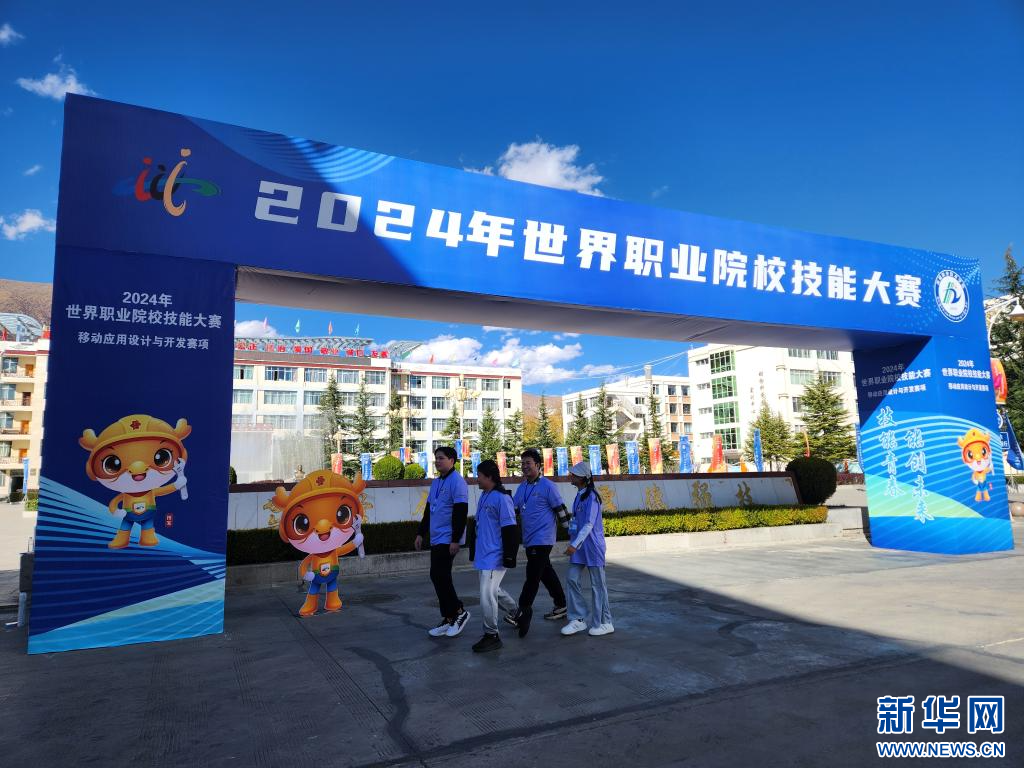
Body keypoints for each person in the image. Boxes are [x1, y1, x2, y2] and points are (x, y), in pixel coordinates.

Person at [503, 448, 570, 637]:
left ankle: (522, 612)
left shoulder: (548, 486)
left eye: (528, 463)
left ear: (538, 465)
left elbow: (560, 509)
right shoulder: (523, 486)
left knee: (532, 576)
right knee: (545, 573)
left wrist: (572, 533)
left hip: (543, 538)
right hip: (530, 539)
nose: (524, 466)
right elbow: (514, 508)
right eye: (522, 463)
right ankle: (561, 604)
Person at [415, 446, 471, 637]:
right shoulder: (437, 482)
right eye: (436, 458)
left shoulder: (458, 482)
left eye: (441, 458)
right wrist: (420, 533)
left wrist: (455, 539)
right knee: (437, 575)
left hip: (448, 538)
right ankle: (449, 617)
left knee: (440, 575)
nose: (437, 461)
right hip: (437, 537)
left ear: (452, 460)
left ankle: (459, 612)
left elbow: (461, 512)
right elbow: (428, 510)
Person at [471, 460, 520, 653]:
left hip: (495, 556)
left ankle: (492, 635)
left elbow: (510, 529)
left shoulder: (502, 498)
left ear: (489, 477)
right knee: (494, 591)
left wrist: (509, 556)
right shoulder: (485, 496)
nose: (477, 479)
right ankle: (517, 613)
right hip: (484, 555)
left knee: (487, 594)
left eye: (479, 476)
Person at [561, 461, 613, 637]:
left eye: (574, 474)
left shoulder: (592, 497)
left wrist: (574, 545)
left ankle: (605, 622)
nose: (571, 476)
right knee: (572, 578)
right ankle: (578, 618)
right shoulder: (579, 496)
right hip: (580, 547)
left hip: (592, 546)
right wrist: (572, 536)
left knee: (598, 585)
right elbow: (577, 521)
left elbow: (589, 524)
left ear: (583, 478)